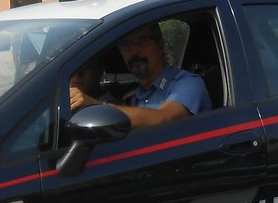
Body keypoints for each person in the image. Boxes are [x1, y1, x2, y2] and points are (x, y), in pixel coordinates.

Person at [69, 23, 209, 127]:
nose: (134, 51)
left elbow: (163, 119)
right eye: (126, 45)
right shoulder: (132, 97)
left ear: (160, 44)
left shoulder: (188, 83)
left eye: (142, 41)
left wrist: (96, 106)